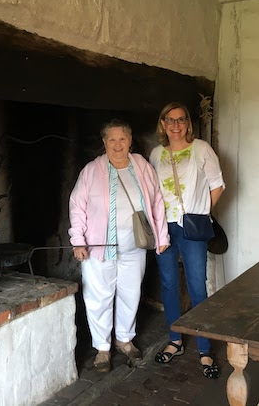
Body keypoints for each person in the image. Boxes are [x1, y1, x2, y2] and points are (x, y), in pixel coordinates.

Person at [69, 119, 170, 373]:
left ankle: (124, 339)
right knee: (98, 298)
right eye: (111, 139)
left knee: (130, 293)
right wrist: (77, 240)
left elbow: (157, 200)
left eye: (122, 139)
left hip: (134, 246)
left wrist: (162, 237)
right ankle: (102, 348)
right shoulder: (91, 170)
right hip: (98, 247)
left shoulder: (142, 166)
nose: (117, 144)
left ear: (130, 140)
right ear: (104, 143)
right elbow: (77, 206)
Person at [149, 102, 225, 379]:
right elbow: (152, 190)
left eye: (181, 120)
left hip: (192, 226)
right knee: (168, 284)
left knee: (197, 286)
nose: (176, 125)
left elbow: (217, 184)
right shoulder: (156, 153)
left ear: (188, 124)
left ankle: (204, 349)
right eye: (170, 120)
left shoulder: (201, 148)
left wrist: (203, 214)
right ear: (163, 124)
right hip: (164, 227)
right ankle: (175, 340)